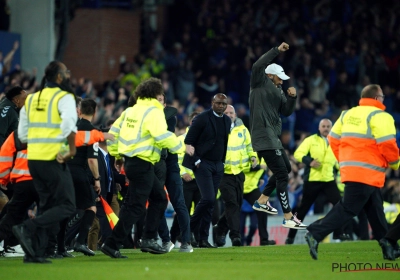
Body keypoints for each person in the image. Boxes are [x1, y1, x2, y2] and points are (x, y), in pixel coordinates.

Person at [305, 84, 400, 260]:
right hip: (367, 171)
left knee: (376, 210)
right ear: (377, 98)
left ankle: (388, 244)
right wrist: (395, 163)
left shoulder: (346, 114)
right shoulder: (380, 116)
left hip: (354, 170)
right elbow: (388, 143)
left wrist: (344, 160)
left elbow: (332, 138)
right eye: (382, 97)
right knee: (348, 209)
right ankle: (315, 232)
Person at [101, 77, 193, 258]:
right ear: (156, 93)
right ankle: (115, 243)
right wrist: (182, 146)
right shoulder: (154, 111)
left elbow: (113, 134)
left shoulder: (130, 111)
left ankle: (147, 239)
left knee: (158, 198)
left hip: (132, 163)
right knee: (135, 206)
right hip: (143, 163)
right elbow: (161, 135)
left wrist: (117, 155)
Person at [14, 61, 77, 264]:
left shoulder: (30, 100)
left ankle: (34, 253)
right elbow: (68, 123)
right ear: (59, 77)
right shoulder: (64, 97)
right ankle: (27, 228)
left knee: (47, 206)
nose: (68, 75)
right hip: (54, 158)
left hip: (34, 160)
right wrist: (72, 149)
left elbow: (22, 135)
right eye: (66, 72)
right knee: (67, 205)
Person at [249, 42, 306, 229]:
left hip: (273, 136)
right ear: (270, 75)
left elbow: (287, 112)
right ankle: (288, 215)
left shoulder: (279, 91)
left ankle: (262, 199)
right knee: (282, 174)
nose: (282, 81)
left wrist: (292, 98)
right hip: (263, 134)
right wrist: (276, 51)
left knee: (287, 168)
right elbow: (257, 65)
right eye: (279, 78)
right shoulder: (259, 80)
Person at [183, 93, 231, 248]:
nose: (221, 106)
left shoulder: (227, 120)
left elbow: (223, 142)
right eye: (218, 103)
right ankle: (188, 227)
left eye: (224, 104)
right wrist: (196, 160)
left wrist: (222, 163)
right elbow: (188, 140)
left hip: (218, 165)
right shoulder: (202, 118)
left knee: (210, 204)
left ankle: (203, 239)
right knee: (209, 198)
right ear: (212, 103)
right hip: (202, 163)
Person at [285, 119, 342, 244]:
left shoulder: (336, 142)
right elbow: (298, 153)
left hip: (328, 179)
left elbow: (338, 160)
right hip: (313, 180)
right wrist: (309, 161)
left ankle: (339, 234)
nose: (326, 128)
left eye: (328, 126)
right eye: (323, 126)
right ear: (319, 128)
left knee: (340, 206)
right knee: (302, 209)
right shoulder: (311, 140)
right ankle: (290, 237)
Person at [213, 105, 257, 246]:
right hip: (223, 173)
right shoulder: (216, 128)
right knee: (231, 203)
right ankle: (235, 236)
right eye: (226, 112)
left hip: (239, 172)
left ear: (235, 114)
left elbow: (250, 146)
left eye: (231, 112)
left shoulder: (243, 130)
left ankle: (220, 227)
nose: (229, 114)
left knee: (235, 205)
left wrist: (253, 157)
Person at [156, 94, 193, 253]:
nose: (157, 103)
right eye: (154, 100)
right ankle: (165, 240)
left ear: (164, 104)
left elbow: (165, 137)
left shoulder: (170, 117)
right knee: (156, 203)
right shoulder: (148, 118)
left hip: (170, 165)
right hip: (156, 164)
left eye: (160, 100)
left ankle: (186, 242)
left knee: (179, 203)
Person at [66, 98, 100, 256]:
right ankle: (80, 242)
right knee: (91, 208)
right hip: (79, 173)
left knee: (65, 209)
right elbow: (92, 160)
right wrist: (97, 179)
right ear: (95, 112)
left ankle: (59, 247)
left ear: (79, 111)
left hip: (64, 172)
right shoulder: (92, 132)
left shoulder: (71, 128)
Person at [170, 112, 201, 246]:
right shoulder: (181, 139)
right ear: (190, 123)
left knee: (199, 210)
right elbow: (174, 160)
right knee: (184, 210)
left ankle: (193, 237)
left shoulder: (205, 140)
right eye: (194, 121)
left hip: (200, 180)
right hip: (185, 180)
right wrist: (183, 173)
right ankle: (175, 235)